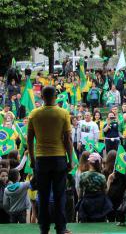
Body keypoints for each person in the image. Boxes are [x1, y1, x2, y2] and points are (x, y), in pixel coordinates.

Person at [27, 86, 73, 234]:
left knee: (43, 196)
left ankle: (43, 229)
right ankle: (61, 228)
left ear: (42, 96)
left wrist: (32, 160)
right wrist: (70, 159)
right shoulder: (63, 113)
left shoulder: (34, 114)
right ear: (56, 96)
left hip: (41, 159)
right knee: (60, 196)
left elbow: (29, 140)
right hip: (59, 159)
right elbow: (68, 140)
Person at [76, 153, 113, 222]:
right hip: (100, 204)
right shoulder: (102, 177)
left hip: (87, 204)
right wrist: (109, 180)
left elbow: (80, 194)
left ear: (89, 162)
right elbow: (105, 192)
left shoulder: (83, 176)